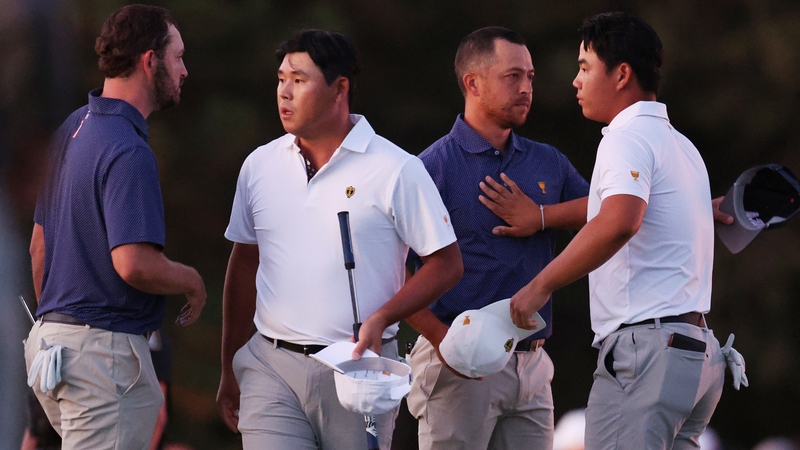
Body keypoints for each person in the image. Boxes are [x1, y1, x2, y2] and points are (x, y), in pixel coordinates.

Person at [215, 29, 463, 450]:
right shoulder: (259, 166)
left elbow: (447, 263)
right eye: (280, 79)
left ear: (339, 89)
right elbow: (244, 264)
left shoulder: (396, 168)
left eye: (299, 79)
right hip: (270, 366)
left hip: (360, 373)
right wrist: (228, 366)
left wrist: (383, 317)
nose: (284, 92)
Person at [508, 12, 726, 448]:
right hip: (697, 355)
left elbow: (620, 219)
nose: (575, 80)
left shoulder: (624, 138)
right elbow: (612, 208)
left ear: (622, 74)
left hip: (648, 355)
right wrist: (545, 216)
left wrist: (540, 285)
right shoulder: (682, 146)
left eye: (585, 66)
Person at [24, 5, 206, 450]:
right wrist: (193, 281)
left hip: (50, 346)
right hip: (102, 361)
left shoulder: (70, 129)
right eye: (178, 57)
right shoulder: (129, 149)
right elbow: (133, 263)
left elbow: (38, 249)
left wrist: (59, 327)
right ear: (150, 61)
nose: (185, 70)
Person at [404, 26, 589, 449]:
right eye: (513, 77)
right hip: (457, 361)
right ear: (473, 82)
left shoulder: (547, 160)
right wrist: (442, 341)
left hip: (533, 362)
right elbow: (394, 268)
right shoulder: (429, 168)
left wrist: (540, 216)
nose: (526, 88)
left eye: (530, 76)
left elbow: (603, 214)